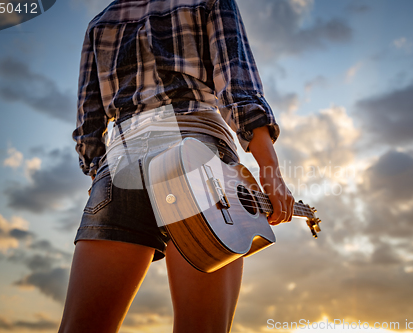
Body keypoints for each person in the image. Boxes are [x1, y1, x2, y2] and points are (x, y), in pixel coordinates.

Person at [58, 0, 294, 331]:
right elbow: (240, 92)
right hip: (197, 155)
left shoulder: (100, 22)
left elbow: (88, 127)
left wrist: (100, 172)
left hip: (123, 159)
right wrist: (272, 174)